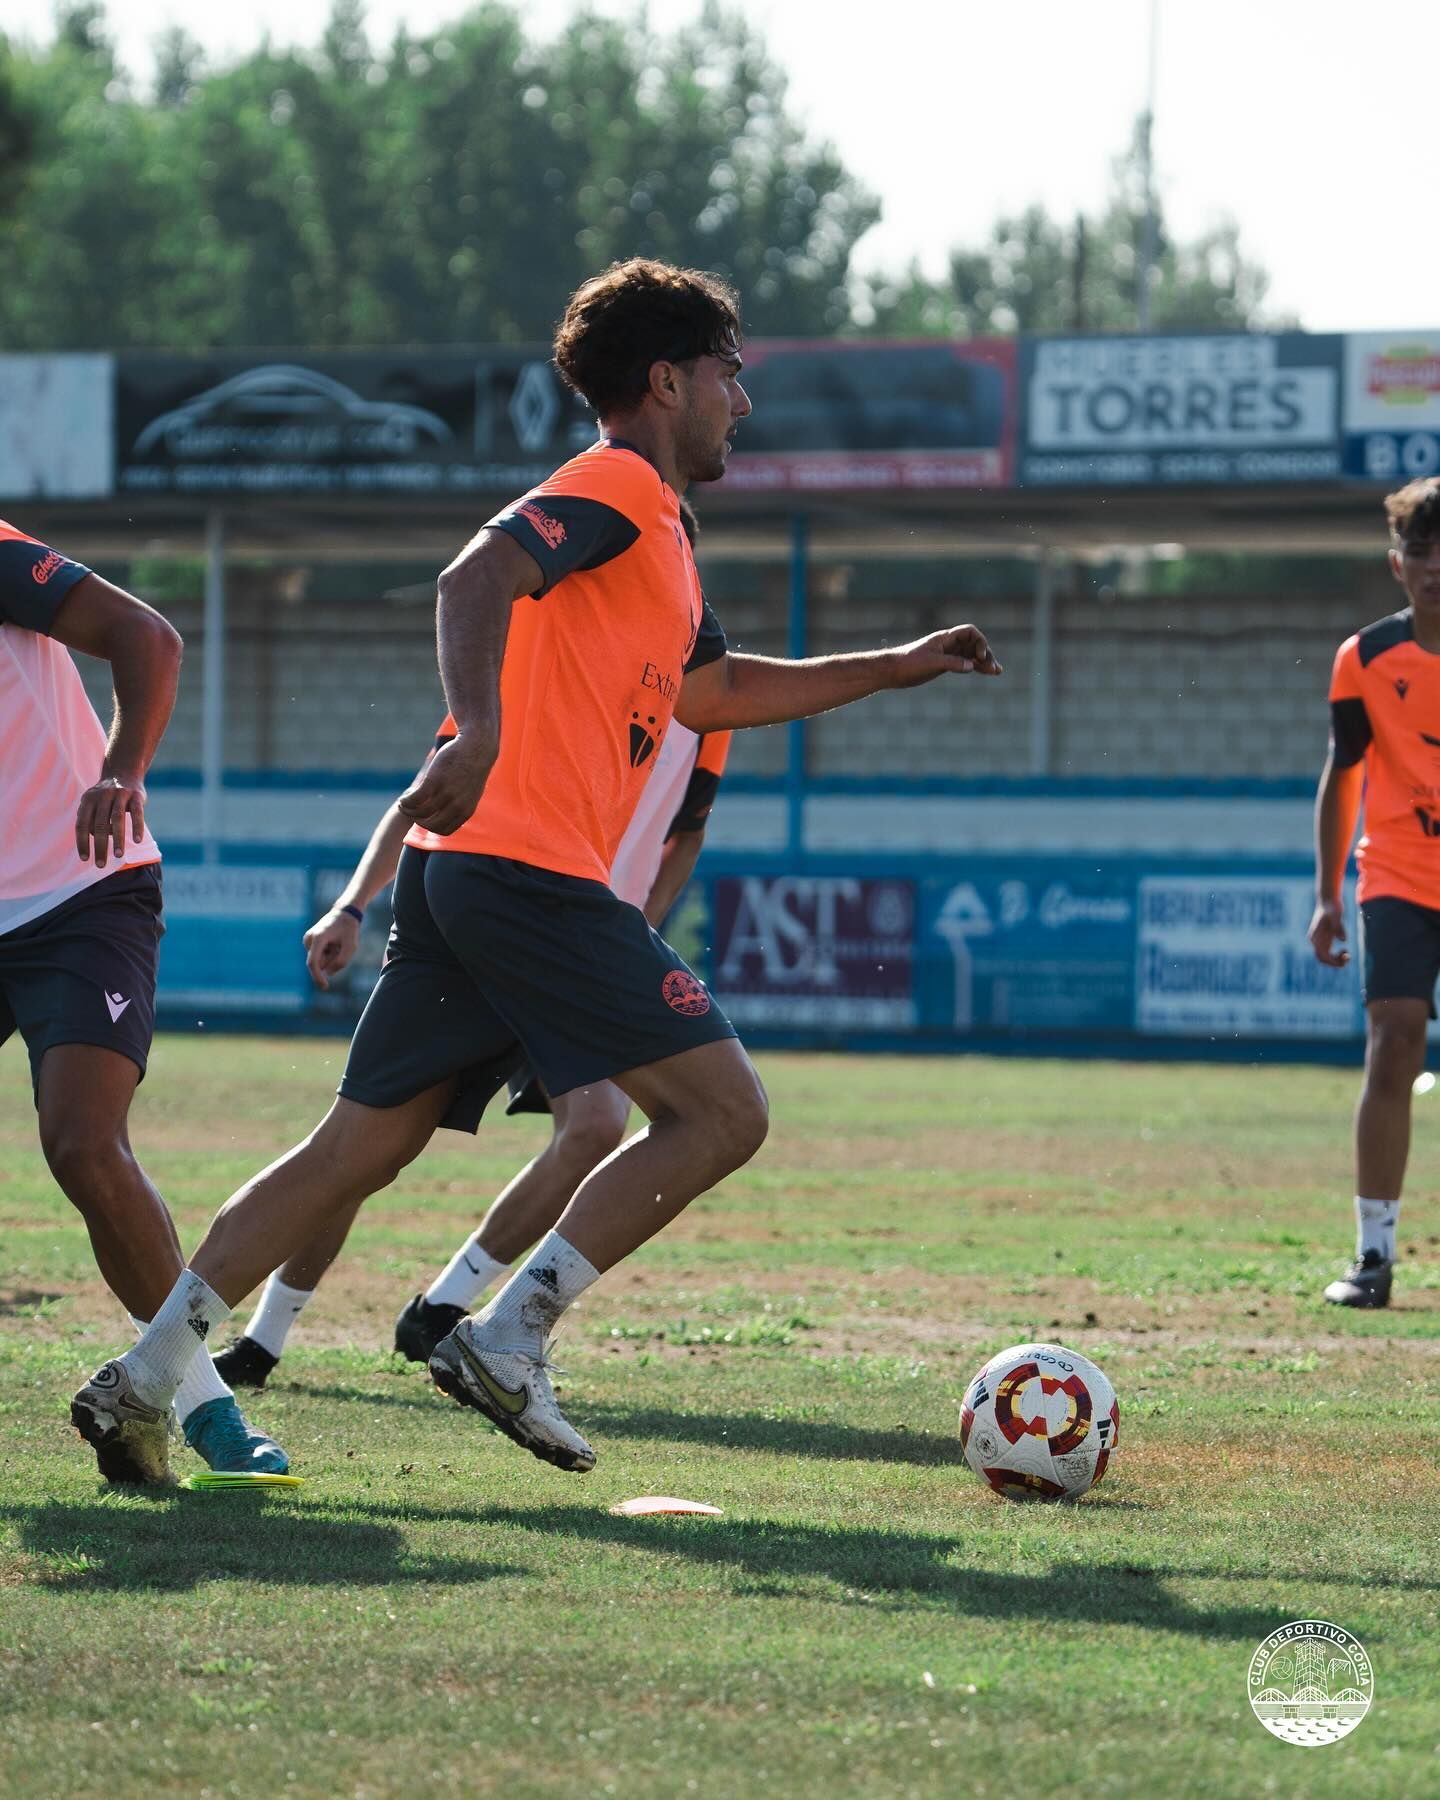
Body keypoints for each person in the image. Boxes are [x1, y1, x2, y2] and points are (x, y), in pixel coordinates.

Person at [73, 257, 1001, 1484]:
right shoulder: (616, 482)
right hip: (528, 870)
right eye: (729, 374)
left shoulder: (661, 538)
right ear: (665, 381)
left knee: (355, 1150)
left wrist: (896, 662)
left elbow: (714, 693)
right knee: (722, 1113)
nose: (743, 401)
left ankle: (144, 1378)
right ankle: (508, 1336)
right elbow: (475, 574)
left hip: (471, 873)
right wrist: (482, 727)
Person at [213, 505, 731, 1386]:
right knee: (370, 1144)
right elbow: (430, 793)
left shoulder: (704, 701)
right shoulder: (543, 653)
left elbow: (686, 835)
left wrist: (639, 928)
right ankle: (265, 1335)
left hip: (587, 940)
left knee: (596, 1126)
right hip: (499, 905)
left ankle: (447, 1307)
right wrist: (351, 905)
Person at [0, 519, 284, 1482]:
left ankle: (203, 1409)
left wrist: (122, 771)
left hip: (81, 890)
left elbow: (147, 637)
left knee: (83, 1145)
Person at [1309, 475, 1440, 1308]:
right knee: (1393, 1041)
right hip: (1398, 872)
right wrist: (1328, 894)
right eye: (1422, 553)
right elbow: (1344, 772)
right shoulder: (1363, 658)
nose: (1436, 569)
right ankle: (1373, 1256)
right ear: (1398, 565)